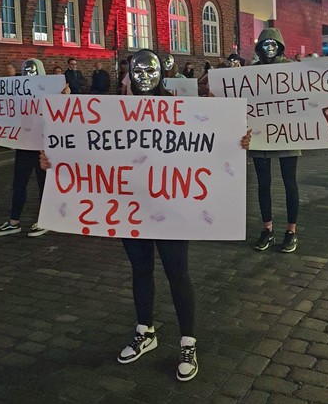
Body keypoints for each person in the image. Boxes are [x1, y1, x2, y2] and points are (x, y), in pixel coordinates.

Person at [40, 49, 251, 382]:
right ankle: (145, 330)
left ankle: (187, 340)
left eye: (149, 70)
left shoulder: (179, 110)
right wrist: (54, 158)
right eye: (136, 70)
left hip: (171, 206)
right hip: (130, 206)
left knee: (177, 272)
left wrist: (237, 140)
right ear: (127, 74)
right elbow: (83, 147)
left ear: (160, 75)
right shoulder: (112, 111)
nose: (143, 77)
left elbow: (209, 142)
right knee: (141, 269)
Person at [0, 59, 69, 238]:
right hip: (25, 144)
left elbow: (63, 111)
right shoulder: (20, 91)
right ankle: (14, 221)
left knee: (45, 184)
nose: (30, 75)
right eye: (26, 71)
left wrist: (65, 95)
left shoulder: (50, 91)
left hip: (43, 146)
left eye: (33, 71)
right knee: (19, 183)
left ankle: (45, 219)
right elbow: (5, 107)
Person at [251, 28, 300, 253]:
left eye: (273, 44)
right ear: (259, 47)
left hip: (287, 134)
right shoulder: (251, 72)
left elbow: (308, 93)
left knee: (290, 182)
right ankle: (267, 229)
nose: (269, 48)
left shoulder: (292, 68)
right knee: (263, 184)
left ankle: (291, 231)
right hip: (262, 137)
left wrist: (327, 90)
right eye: (265, 44)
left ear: (279, 46)